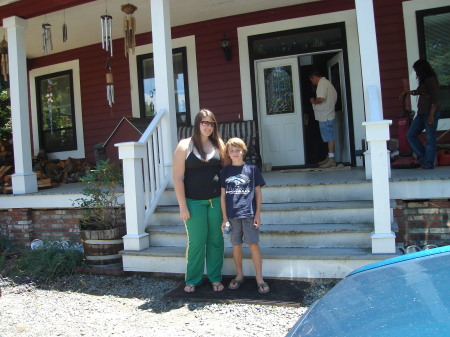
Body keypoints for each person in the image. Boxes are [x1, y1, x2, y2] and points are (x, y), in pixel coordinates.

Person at [173, 109, 229, 293]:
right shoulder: (184, 145)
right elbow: (178, 178)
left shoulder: (219, 143)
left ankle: (215, 278)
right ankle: (193, 279)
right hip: (193, 203)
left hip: (215, 202)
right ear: (197, 124)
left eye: (211, 123)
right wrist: (182, 206)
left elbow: (226, 172)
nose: (208, 126)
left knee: (216, 240)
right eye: (204, 122)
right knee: (197, 241)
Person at [220, 137, 270, 294]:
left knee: (253, 245)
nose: (235, 153)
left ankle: (259, 277)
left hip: (249, 213)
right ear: (228, 153)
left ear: (244, 151)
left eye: (238, 150)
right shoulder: (224, 172)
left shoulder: (252, 169)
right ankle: (239, 275)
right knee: (236, 246)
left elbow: (257, 192)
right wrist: (224, 218)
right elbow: (222, 196)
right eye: (232, 150)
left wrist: (258, 214)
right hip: (232, 215)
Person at [406, 59, 440, 169]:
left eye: (417, 70)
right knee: (410, 135)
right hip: (421, 113)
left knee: (430, 138)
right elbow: (420, 91)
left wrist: (431, 115)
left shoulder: (431, 80)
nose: (416, 73)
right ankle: (424, 158)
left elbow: (435, 99)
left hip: (430, 113)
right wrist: (408, 93)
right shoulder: (424, 80)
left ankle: (428, 164)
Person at [309, 70, 338, 168]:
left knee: (329, 137)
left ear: (314, 77)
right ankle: (329, 157)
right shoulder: (327, 84)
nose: (313, 83)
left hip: (325, 115)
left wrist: (313, 101)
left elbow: (321, 98)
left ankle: (331, 160)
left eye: (312, 80)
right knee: (328, 136)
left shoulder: (322, 83)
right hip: (328, 114)